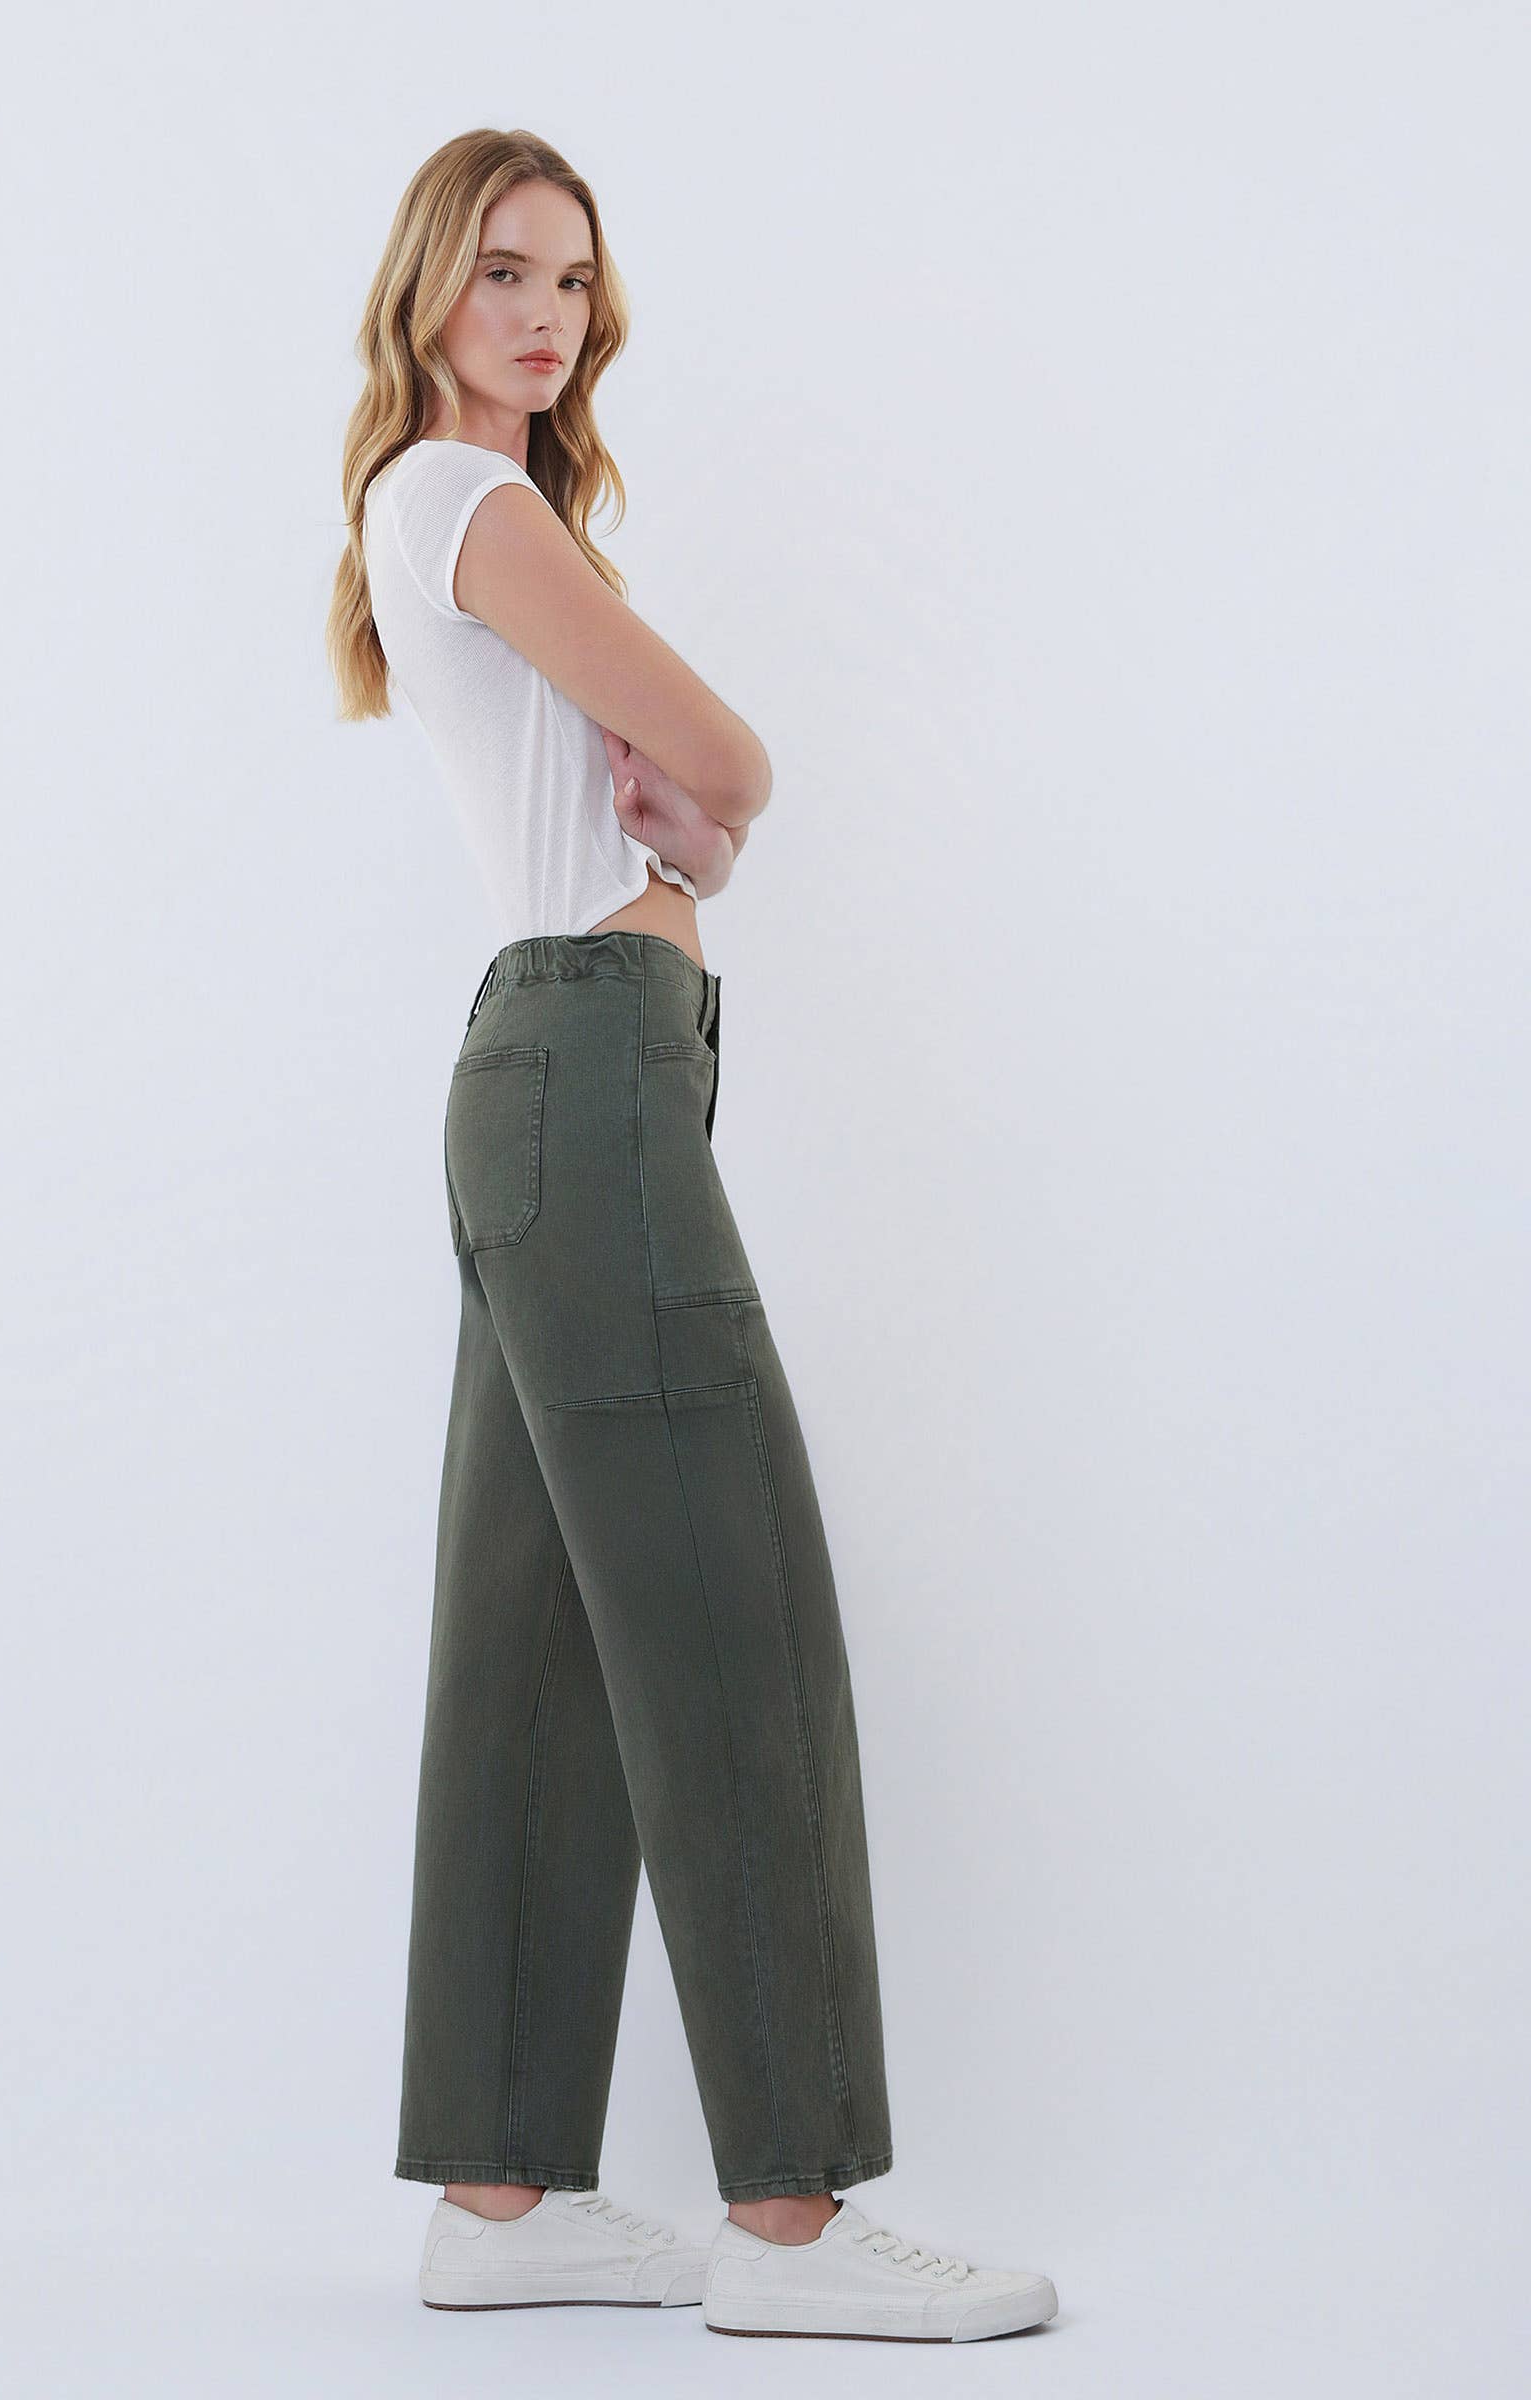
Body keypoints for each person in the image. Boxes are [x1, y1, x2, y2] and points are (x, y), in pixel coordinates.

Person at [326, 127, 1058, 2346]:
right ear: (427, 296)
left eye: (570, 281)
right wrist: (718, 799)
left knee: (536, 1652)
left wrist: (697, 822)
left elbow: (684, 797)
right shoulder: (477, 504)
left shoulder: (438, 518)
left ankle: (502, 2192)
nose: (542, 316)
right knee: (739, 1602)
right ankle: (797, 2228)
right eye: (501, 273)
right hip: (592, 1072)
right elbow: (726, 751)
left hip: (554, 1071)